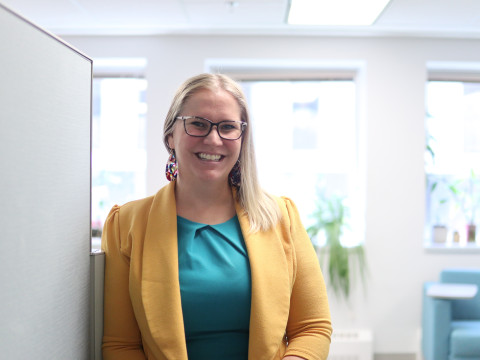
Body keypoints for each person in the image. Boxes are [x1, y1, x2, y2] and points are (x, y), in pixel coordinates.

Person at [101, 73, 332, 360]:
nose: (213, 139)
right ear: (171, 135)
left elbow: (312, 328)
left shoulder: (281, 217)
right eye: (198, 124)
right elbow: (120, 345)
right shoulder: (127, 224)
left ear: (241, 138)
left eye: (227, 127)